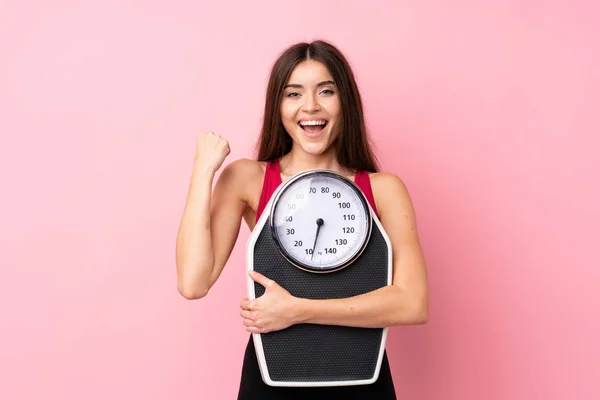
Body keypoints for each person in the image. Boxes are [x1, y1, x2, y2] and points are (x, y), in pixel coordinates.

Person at [175, 40, 429, 399]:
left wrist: (296, 310)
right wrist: (203, 170)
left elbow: (413, 303)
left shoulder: (383, 189)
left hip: (362, 378)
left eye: (326, 91)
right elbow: (193, 282)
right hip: (272, 378)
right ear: (278, 106)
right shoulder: (249, 180)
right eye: (293, 94)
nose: (310, 107)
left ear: (346, 103)